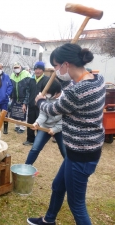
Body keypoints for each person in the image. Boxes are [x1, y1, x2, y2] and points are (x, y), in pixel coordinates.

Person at [27, 43, 105, 225]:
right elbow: (73, 85)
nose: (56, 70)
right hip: (81, 150)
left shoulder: (75, 91)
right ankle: (49, 220)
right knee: (58, 185)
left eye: (56, 66)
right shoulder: (97, 79)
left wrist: (39, 101)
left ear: (66, 64)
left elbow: (54, 109)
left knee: (76, 204)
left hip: (81, 154)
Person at [25, 80, 66, 165]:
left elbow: (65, 119)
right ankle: (26, 169)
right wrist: (37, 123)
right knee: (35, 148)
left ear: (56, 91)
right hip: (45, 127)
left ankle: (69, 171)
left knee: (65, 152)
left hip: (60, 128)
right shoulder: (46, 97)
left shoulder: (65, 99)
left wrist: (55, 129)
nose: (46, 94)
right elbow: (43, 114)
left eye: (48, 92)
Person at [23, 61, 50, 146]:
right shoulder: (31, 79)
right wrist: (25, 103)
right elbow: (27, 92)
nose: (37, 71)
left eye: (39, 69)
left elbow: (49, 94)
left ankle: (39, 141)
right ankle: (30, 139)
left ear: (43, 70)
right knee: (30, 122)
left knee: (40, 123)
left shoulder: (47, 80)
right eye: (36, 69)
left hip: (41, 106)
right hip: (31, 105)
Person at [9, 62, 30, 133]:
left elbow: (28, 88)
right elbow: (10, 86)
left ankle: (22, 127)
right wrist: (11, 95)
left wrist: (26, 100)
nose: (16, 69)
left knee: (23, 112)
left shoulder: (26, 74)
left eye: (17, 67)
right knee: (16, 111)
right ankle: (17, 126)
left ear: (20, 67)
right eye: (15, 68)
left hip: (23, 97)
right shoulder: (12, 75)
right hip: (15, 97)